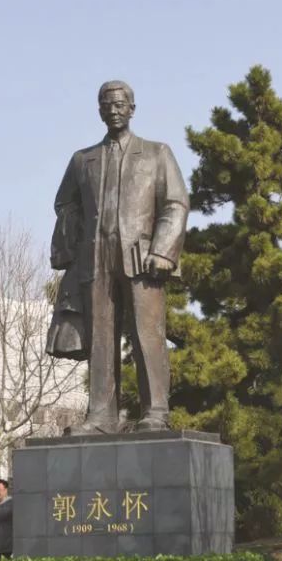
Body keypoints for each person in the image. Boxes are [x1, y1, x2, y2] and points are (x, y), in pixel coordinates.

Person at [51, 80, 189, 434]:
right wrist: (75, 243)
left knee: (148, 336)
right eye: (106, 104)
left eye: (119, 103)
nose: (113, 109)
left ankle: (155, 411)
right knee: (100, 339)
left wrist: (162, 251)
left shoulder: (157, 153)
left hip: (142, 258)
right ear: (99, 110)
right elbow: (65, 203)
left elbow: (175, 202)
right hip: (96, 259)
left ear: (132, 108)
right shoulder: (83, 161)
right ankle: (101, 415)